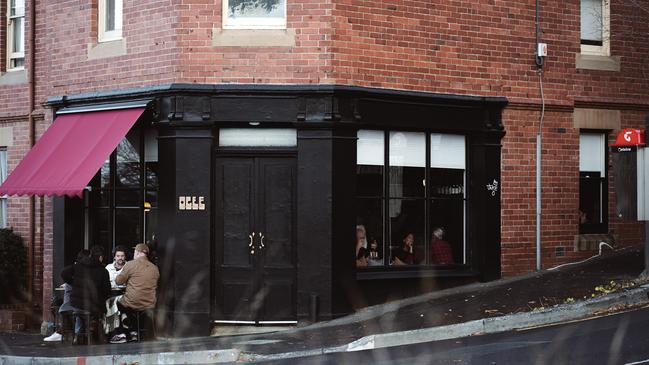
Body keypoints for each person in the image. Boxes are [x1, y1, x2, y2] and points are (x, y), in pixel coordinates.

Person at [110, 243, 160, 344]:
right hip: (149, 304)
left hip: (132, 302)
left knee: (113, 302)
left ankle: (120, 334)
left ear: (137, 253)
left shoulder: (130, 264)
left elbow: (119, 281)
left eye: (134, 252)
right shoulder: (155, 268)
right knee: (131, 307)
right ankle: (134, 332)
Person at [61, 245, 111, 344]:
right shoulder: (103, 271)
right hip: (93, 305)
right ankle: (94, 331)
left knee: (80, 310)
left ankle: (78, 335)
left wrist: (73, 282)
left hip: (76, 303)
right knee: (100, 309)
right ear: (101, 257)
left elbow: (63, 273)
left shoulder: (78, 265)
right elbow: (107, 290)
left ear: (90, 255)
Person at [43, 249, 90, 342]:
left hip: (82, 304)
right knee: (67, 298)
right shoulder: (80, 270)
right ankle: (68, 332)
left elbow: (64, 273)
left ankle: (64, 332)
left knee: (69, 300)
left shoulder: (87, 271)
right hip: (80, 304)